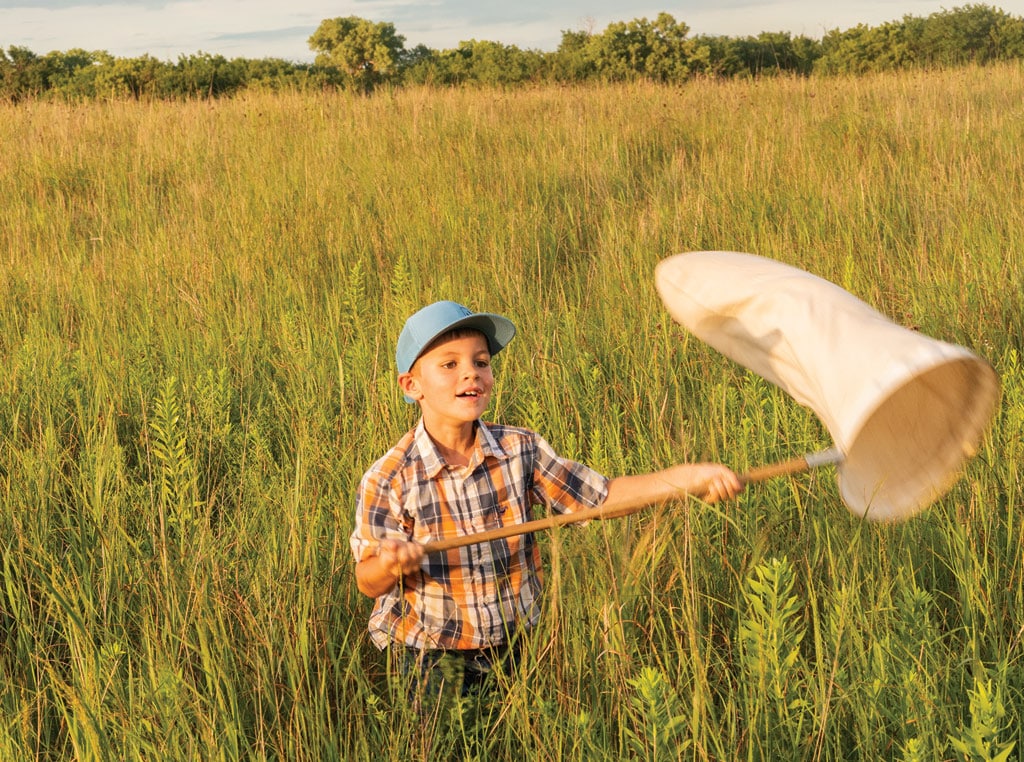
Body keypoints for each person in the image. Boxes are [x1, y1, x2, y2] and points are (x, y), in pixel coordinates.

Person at [349, 300, 743, 708]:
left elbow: (600, 499)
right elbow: (368, 581)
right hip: (432, 654)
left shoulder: (520, 449)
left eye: (480, 362)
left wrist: (688, 479)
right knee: (445, 741)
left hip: (514, 643)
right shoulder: (390, 477)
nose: (471, 372)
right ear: (411, 386)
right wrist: (391, 562)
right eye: (449, 365)